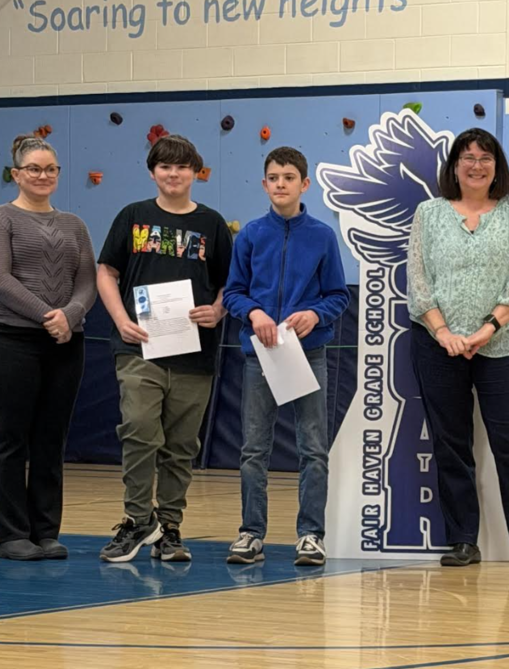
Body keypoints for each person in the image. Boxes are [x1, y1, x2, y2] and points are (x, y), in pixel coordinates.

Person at [406, 128, 509, 570]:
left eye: (485, 157)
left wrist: (487, 328)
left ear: (497, 167)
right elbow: (417, 279)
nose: (476, 165)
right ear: (454, 166)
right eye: (467, 157)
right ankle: (462, 540)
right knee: (451, 444)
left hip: (505, 345)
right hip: (438, 345)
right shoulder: (428, 214)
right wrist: (444, 332)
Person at [97, 135, 233, 563]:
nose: (173, 174)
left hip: (194, 352)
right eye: (164, 167)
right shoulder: (132, 216)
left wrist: (217, 309)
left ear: (196, 172)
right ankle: (138, 519)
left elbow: (233, 283)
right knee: (138, 430)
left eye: (182, 167)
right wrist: (121, 320)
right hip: (139, 348)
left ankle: (169, 527)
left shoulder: (212, 224)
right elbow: (106, 271)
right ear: (152, 171)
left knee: (180, 446)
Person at [222, 146, 350, 566]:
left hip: (308, 355)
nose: (281, 183)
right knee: (253, 449)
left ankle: (311, 535)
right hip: (260, 356)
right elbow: (234, 293)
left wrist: (315, 313)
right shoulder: (251, 236)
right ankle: (250, 533)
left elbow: (337, 296)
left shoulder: (322, 236)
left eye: (289, 177)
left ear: (304, 184)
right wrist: (254, 312)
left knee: (313, 449)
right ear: (264, 184)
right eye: (274, 177)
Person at [0, 134, 96, 561]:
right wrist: (49, 315)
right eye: (34, 169)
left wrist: (71, 315)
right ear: (16, 174)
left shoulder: (74, 225)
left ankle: (46, 531)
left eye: (50, 169)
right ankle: (11, 534)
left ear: (58, 175)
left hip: (66, 342)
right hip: (11, 341)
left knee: (51, 438)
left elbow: (87, 281)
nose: (42, 176)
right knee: (11, 437)